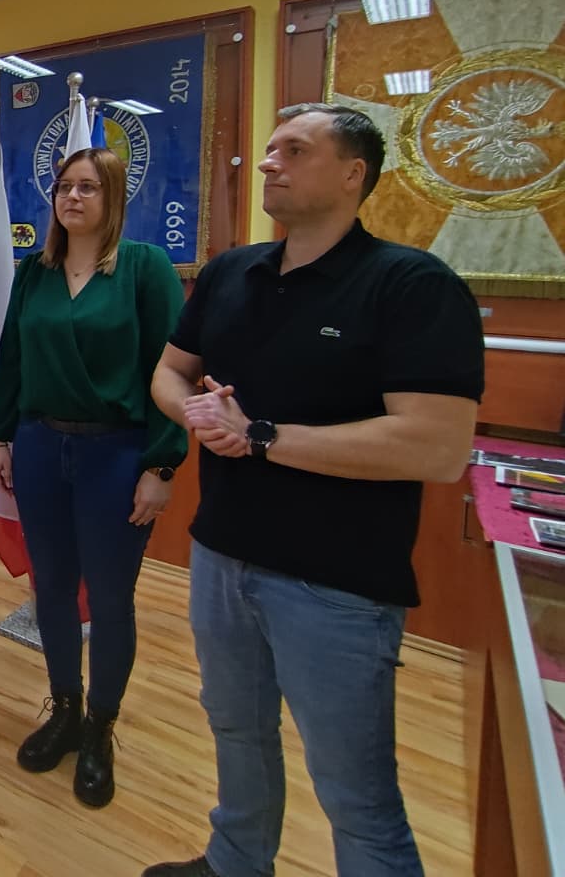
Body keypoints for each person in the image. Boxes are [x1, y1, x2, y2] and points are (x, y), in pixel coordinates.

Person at [146, 105, 484, 877]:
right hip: (221, 556)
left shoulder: (412, 286)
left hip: (336, 586)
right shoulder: (231, 272)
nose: (269, 162)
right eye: (269, 149)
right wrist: (195, 413)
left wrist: (261, 436)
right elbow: (169, 372)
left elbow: (437, 447)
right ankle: (235, 861)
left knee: (354, 791)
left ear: (353, 174)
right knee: (236, 731)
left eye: (295, 151)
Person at [0, 147, 186, 809]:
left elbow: (171, 371)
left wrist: (161, 464)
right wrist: (1, 435)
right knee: (51, 589)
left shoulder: (145, 268)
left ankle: (101, 725)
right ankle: (65, 708)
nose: (72, 197)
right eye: (64, 187)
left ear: (114, 196)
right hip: (41, 448)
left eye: (88, 187)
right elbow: (12, 357)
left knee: (110, 596)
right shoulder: (34, 272)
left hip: (115, 455)